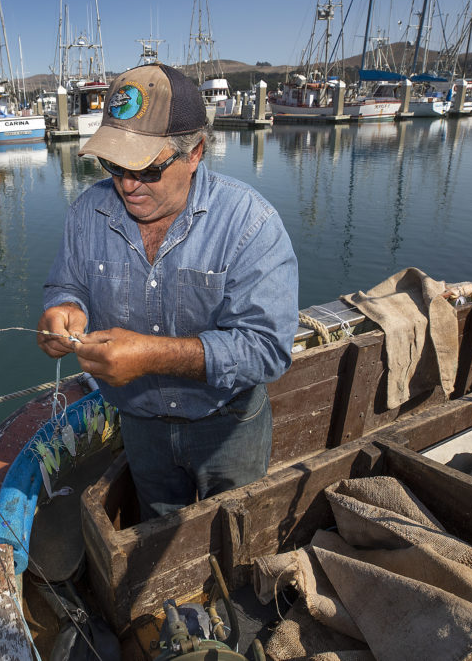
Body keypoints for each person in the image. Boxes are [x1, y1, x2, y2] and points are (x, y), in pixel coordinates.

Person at [37, 63, 298, 519]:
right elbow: (67, 283)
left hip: (230, 425)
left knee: (238, 534)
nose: (127, 184)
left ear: (195, 152)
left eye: (147, 170)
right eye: (112, 165)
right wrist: (63, 309)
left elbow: (268, 349)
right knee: (156, 529)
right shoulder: (85, 214)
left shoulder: (250, 224)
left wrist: (152, 355)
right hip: (141, 429)